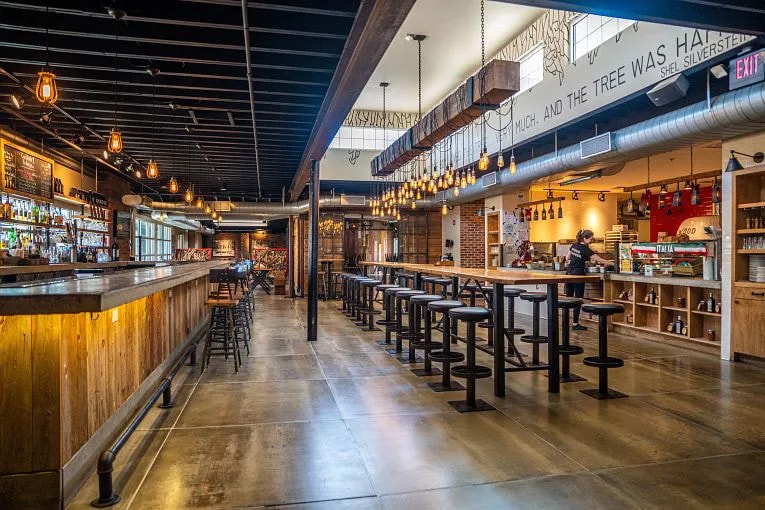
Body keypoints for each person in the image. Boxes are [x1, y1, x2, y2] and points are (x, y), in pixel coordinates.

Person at [565, 229, 614, 330]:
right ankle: (575, 324)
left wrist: (577, 260)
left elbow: (567, 258)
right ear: (585, 238)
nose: (592, 240)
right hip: (578, 275)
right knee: (577, 300)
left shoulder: (574, 245)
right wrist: (613, 263)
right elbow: (599, 259)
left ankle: (565, 322)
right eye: (590, 239)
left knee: (569, 299)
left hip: (568, 274)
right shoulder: (585, 249)